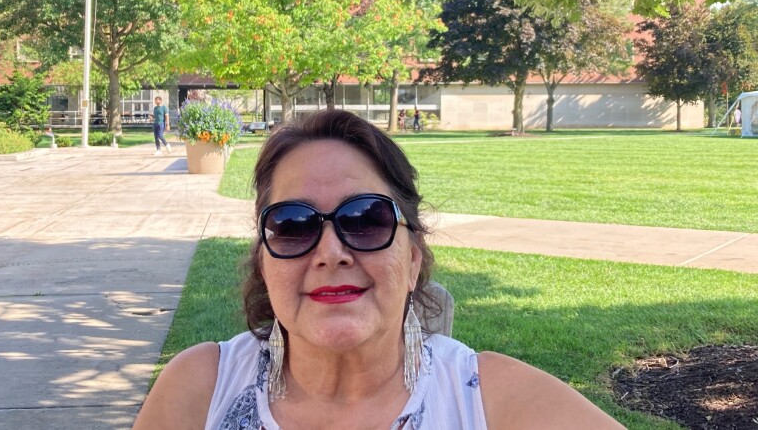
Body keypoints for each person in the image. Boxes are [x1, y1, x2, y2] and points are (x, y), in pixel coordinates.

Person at [133, 110, 623, 429]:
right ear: (264, 262)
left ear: (412, 259)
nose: (330, 252)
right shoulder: (197, 390)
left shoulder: (498, 403)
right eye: (293, 224)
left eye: (366, 219)